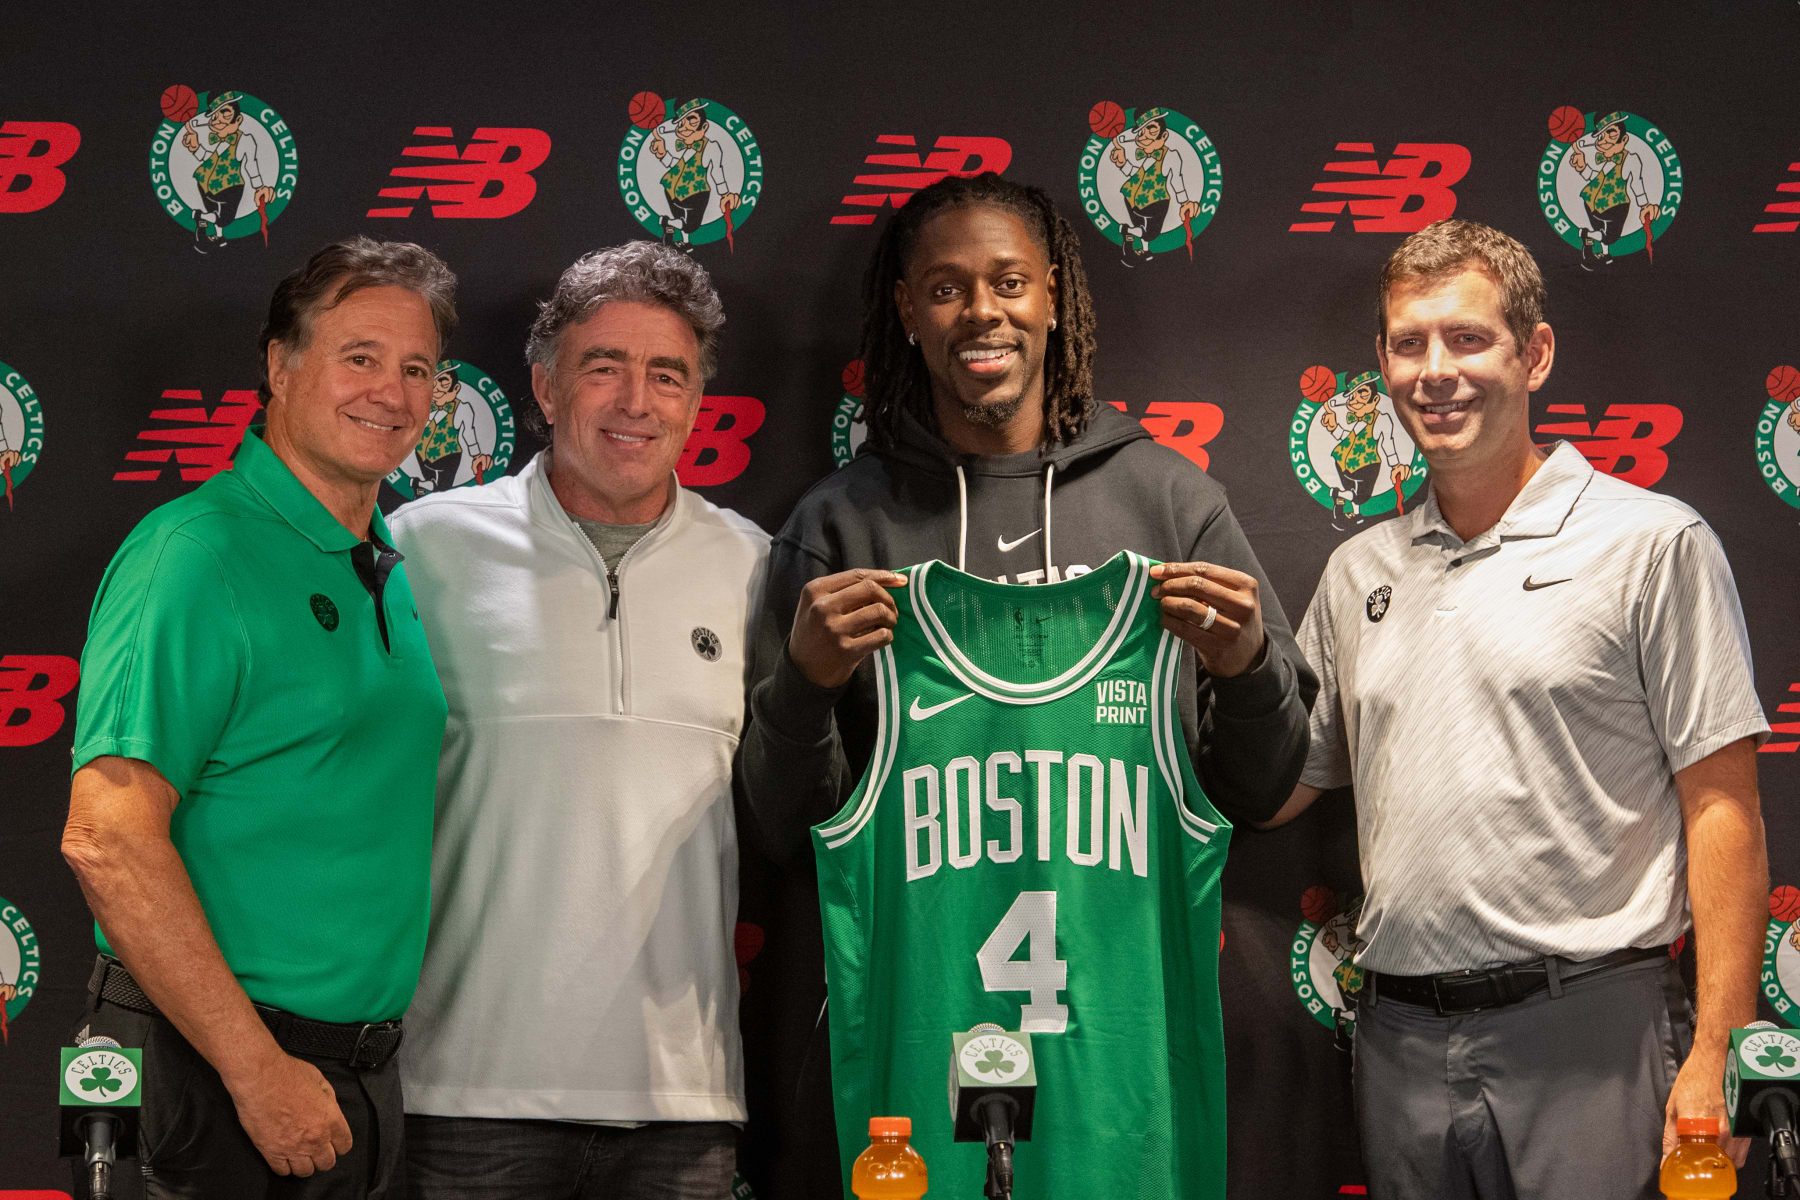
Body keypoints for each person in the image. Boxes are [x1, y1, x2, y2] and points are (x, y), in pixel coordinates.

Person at [734, 171, 1315, 1193]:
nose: (982, 312)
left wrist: (1249, 670)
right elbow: (788, 831)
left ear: (1052, 295)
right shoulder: (839, 527)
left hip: (1119, 1064)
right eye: (946, 288)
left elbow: (1262, 791)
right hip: (918, 1056)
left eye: (1008, 282)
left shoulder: (1171, 505)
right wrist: (805, 692)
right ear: (906, 309)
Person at [1267, 218, 1769, 1199]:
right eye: (1408, 344)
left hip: (1592, 1031)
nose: (1435, 372)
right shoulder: (1356, 572)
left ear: (1534, 354)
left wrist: (1720, 1047)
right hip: (1399, 1042)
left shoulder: (1652, 544)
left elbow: (1724, 807)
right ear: (1382, 363)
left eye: (1467, 339)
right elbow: (1283, 784)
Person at [61, 237, 457, 1198]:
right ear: (280, 366)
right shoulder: (194, 555)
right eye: (359, 357)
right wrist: (255, 1071)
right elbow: (106, 839)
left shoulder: (378, 558)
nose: (391, 392)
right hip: (216, 1074)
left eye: (417, 369)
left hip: (348, 1078)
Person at [390, 241, 767, 1199]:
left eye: (667, 374)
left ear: (695, 403)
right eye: (604, 366)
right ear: (546, 388)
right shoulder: (421, 549)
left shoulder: (757, 568)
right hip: (467, 1093)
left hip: (683, 1107)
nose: (636, 400)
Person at [180, 91, 276, 252]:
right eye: (214, 116)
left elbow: (251, 165)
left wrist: (259, 187)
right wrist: (195, 147)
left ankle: (217, 235)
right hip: (223, 185)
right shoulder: (223, 141)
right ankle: (200, 216)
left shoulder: (245, 140)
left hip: (210, 184)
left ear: (238, 119)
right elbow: (209, 159)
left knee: (218, 215)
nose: (217, 120)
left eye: (225, 113)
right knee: (224, 218)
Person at [409, 362, 492, 494]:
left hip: (446, 457)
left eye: (444, 383)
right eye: (433, 383)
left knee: (443, 491)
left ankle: (420, 484)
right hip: (421, 455)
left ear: (456, 388)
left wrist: (476, 455)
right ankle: (420, 489)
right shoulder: (425, 405)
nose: (437, 389)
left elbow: (468, 433)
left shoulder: (463, 408)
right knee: (428, 491)